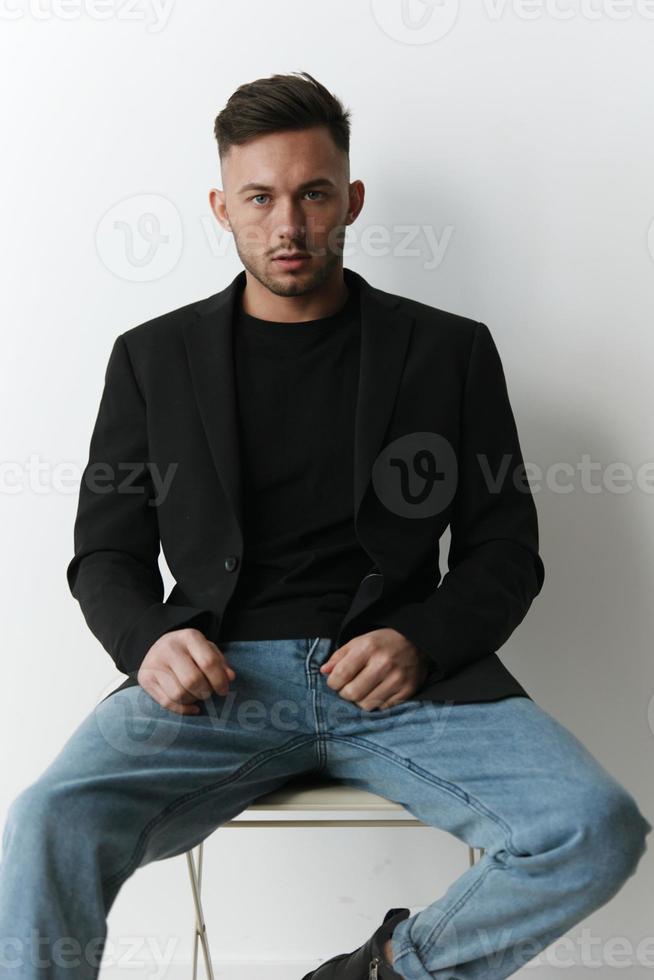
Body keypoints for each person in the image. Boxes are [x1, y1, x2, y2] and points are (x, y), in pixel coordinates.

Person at [1, 71, 650, 980]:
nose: (289, 225)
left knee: (597, 824)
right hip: (218, 679)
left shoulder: (448, 350)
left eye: (312, 194)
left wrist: (420, 640)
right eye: (261, 198)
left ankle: (384, 970)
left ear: (350, 197)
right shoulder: (152, 359)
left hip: (406, 682)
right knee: (44, 822)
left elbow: (506, 546)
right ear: (222, 207)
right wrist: (149, 642)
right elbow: (103, 554)